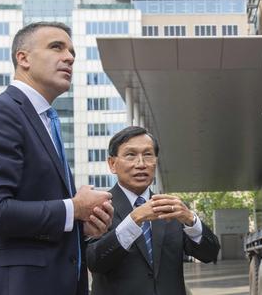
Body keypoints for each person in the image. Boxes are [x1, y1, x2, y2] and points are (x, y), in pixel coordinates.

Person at [0, 22, 114, 295]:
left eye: (72, 53)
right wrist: (73, 209)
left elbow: (38, 210)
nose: (69, 57)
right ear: (23, 58)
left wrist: (81, 224)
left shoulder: (46, 121)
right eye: (57, 47)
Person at [86, 126, 220, 295]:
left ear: (156, 161)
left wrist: (191, 220)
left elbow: (210, 254)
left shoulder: (172, 208)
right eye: (130, 155)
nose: (141, 164)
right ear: (112, 164)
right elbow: (94, 261)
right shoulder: (97, 206)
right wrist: (133, 220)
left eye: (148, 154)